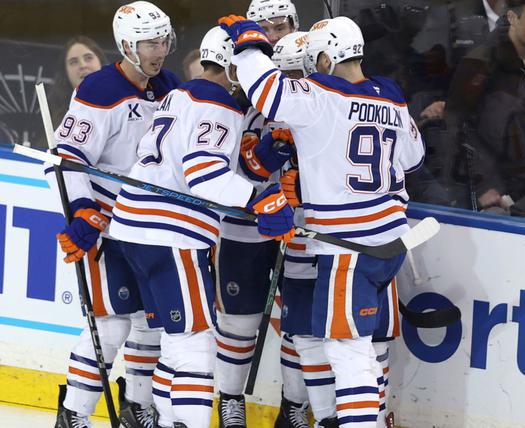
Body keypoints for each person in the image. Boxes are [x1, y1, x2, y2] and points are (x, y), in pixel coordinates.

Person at [221, 13, 425, 427]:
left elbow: (268, 92)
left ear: (328, 60)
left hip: (349, 245)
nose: (312, 70)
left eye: (316, 62)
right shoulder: (392, 95)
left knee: (347, 353)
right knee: (360, 347)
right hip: (390, 239)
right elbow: (413, 159)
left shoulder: (323, 94)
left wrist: (248, 44)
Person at [107, 26, 294, 428]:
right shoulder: (223, 105)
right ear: (230, 65)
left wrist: (258, 157)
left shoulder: (178, 94)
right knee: (195, 346)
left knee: (174, 345)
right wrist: (258, 198)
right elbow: (203, 173)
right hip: (170, 233)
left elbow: (193, 159)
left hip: (131, 227)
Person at [49, 2, 180, 428]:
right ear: (127, 45)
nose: (159, 50)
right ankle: (74, 415)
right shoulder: (99, 89)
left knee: (151, 323)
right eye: (149, 43)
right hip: (108, 224)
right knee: (110, 326)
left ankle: (136, 406)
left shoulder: (170, 87)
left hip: (150, 224)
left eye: (163, 40)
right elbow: (66, 159)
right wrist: (82, 211)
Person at [212, 2, 307, 427]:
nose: (271, 34)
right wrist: (269, 152)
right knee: (240, 317)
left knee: (300, 324)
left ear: (295, 28)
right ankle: (229, 399)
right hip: (246, 222)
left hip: (302, 225)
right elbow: (233, 168)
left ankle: (294, 406)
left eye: (280, 25)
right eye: (263, 28)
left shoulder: (318, 93)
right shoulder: (238, 100)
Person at [443, 0, 525, 210]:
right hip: (490, 194)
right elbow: (456, 129)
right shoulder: (480, 63)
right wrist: (485, 185)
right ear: (513, 18)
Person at [47, 36, 105, 135]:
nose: (83, 65)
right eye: (74, 62)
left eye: (88, 58)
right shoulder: (54, 119)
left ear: (101, 62)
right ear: (65, 72)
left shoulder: (124, 104)